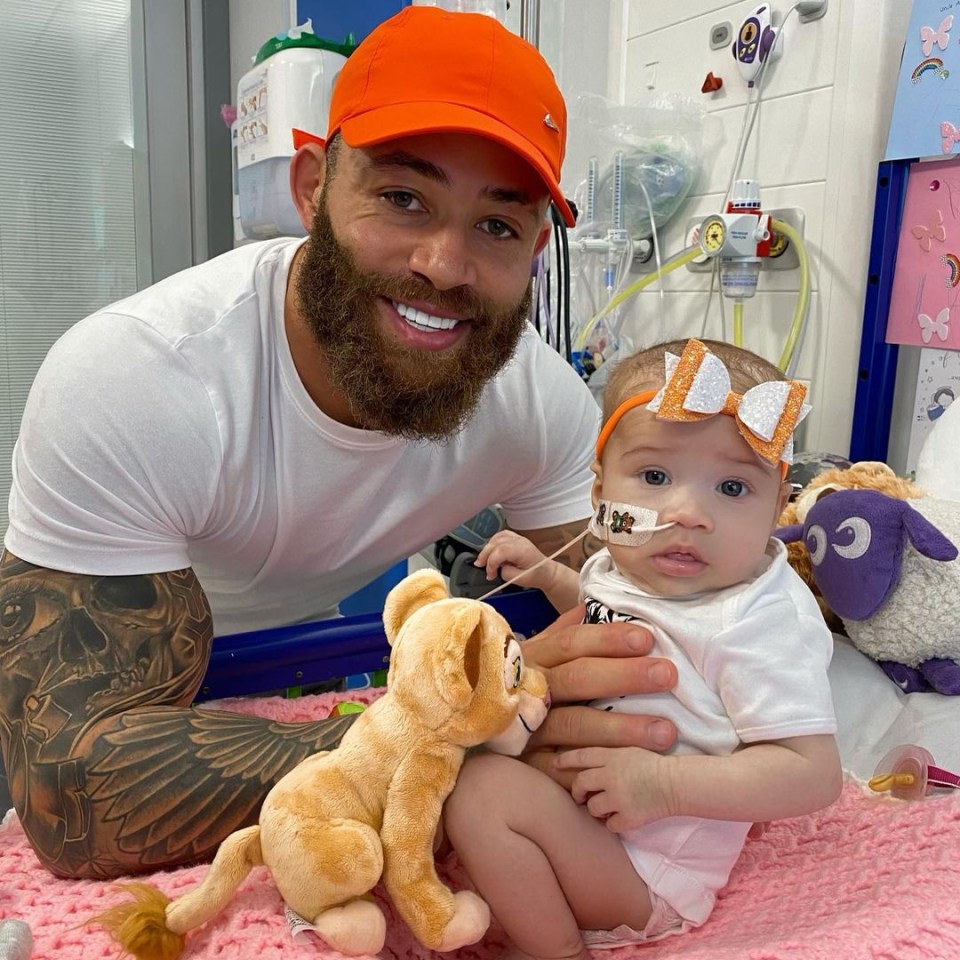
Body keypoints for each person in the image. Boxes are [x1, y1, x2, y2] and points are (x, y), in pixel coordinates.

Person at [0, 7, 680, 880]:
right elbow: (75, 795)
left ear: (536, 250)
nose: (444, 262)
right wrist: (448, 736)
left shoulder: (539, 406)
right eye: (403, 198)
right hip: (143, 701)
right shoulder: (137, 379)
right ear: (313, 186)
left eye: (497, 226)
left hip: (313, 681)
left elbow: (636, 620)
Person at [447, 337, 843, 960]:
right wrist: (554, 580)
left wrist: (663, 784)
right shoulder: (628, 563)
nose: (689, 513)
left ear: (777, 506)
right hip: (582, 816)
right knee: (441, 751)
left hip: (647, 867)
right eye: (655, 477)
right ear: (600, 494)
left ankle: (555, 950)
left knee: (482, 790)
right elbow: (617, 621)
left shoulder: (756, 617)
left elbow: (812, 774)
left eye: (734, 489)